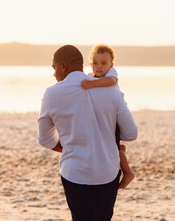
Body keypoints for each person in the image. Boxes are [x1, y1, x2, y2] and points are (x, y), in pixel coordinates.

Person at [38, 45, 138, 221]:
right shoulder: (110, 88)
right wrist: (102, 139)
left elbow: (45, 139)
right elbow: (130, 134)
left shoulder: (52, 94)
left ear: (63, 66)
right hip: (108, 172)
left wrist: (71, 147)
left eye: (54, 68)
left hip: (75, 172)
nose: (54, 74)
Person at [80, 44, 135, 189]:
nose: (99, 67)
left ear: (111, 65)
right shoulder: (91, 76)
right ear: (91, 64)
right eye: (95, 63)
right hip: (104, 119)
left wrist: (91, 85)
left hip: (113, 119)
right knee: (115, 146)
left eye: (104, 64)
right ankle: (122, 149)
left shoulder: (111, 75)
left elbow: (111, 82)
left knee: (115, 149)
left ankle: (128, 172)